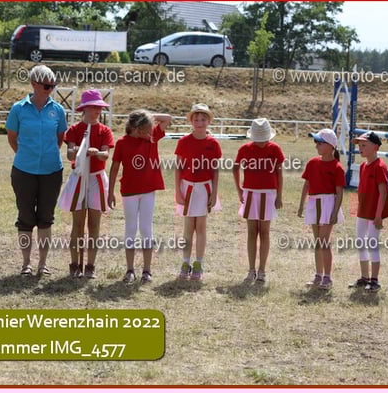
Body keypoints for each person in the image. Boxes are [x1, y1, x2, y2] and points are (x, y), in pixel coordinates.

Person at [6, 65, 67, 276]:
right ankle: (26, 264)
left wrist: (46, 156)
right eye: (47, 85)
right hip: (24, 171)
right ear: (34, 84)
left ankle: (42, 263)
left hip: (52, 172)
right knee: (25, 217)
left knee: (45, 218)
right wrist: (27, 156)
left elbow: (59, 139)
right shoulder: (18, 109)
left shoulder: (58, 110)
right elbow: (12, 138)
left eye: (53, 85)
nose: (51, 89)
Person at [108, 110, 172, 284]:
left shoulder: (152, 137)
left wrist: (148, 117)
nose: (150, 133)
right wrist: (110, 191)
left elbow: (167, 118)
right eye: (146, 130)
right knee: (130, 229)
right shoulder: (122, 143)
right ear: (136, 129)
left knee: (146, 229)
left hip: (148, 191)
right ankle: (130, 270)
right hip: (129, 192)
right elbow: (114, 168)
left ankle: (147, 270)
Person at [58, 90, 114, 279]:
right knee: (78, 224)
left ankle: (90, 265)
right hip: (80, 177)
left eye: (100, 107)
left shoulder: (104, 130)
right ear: (85, 108)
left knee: (94, 225)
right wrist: (78, 150)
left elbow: (105, 155)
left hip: (96, 178)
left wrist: (96, 152)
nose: (98, 111)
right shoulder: (74, 129)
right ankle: (75, 264)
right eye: (94, 107)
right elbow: (70, 154)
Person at [233, 118, 285, 283]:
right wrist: (239, 189)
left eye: (263, 139)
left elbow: (279, 173)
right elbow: (235, 167)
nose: (261, 142)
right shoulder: (245, 148)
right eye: (258, 139)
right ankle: (251, 269)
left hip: (268, 194)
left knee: (264, 232)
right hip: (250, 193)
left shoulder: (275, 149)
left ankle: (262, 270)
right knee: (251, 232)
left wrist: (279, 195)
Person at [174, 104, 222, 281]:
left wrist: (214, 193)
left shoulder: (213, 143)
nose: (199, 123)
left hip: (204, 188)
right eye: (196, 119)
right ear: (191, 121)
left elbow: (215, 171)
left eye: (203, 119)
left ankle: (198, 264)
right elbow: (178, 168)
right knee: (188, 228)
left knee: (201, 228)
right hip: (187, 188)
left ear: (208, 121)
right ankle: (185, 262)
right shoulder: (183, 141)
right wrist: (178, 191)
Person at [297, 128, 345, 290]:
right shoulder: (312, 163)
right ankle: (318, 275)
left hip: (328, 204)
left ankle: (327, 277)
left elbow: (339, 192)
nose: (316, 145)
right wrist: (301, 205)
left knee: (324, 242)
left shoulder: (337, 167)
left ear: (331, 146)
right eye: (316, 142)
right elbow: (307, 184)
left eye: (320, 143)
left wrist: (335, 212)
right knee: (318, 242)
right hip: (314, 203)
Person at [348, 132, 388, 292]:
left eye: (364, 145)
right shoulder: (363, 166)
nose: (361, 148)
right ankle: (364, 276)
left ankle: (374, 280)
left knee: (372, 243)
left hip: (374, 213)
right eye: (359, 145)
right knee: (360, 242)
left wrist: (378, 215)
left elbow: (383, 192)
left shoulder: (380, 166)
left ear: (375, 147)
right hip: (363, 211)